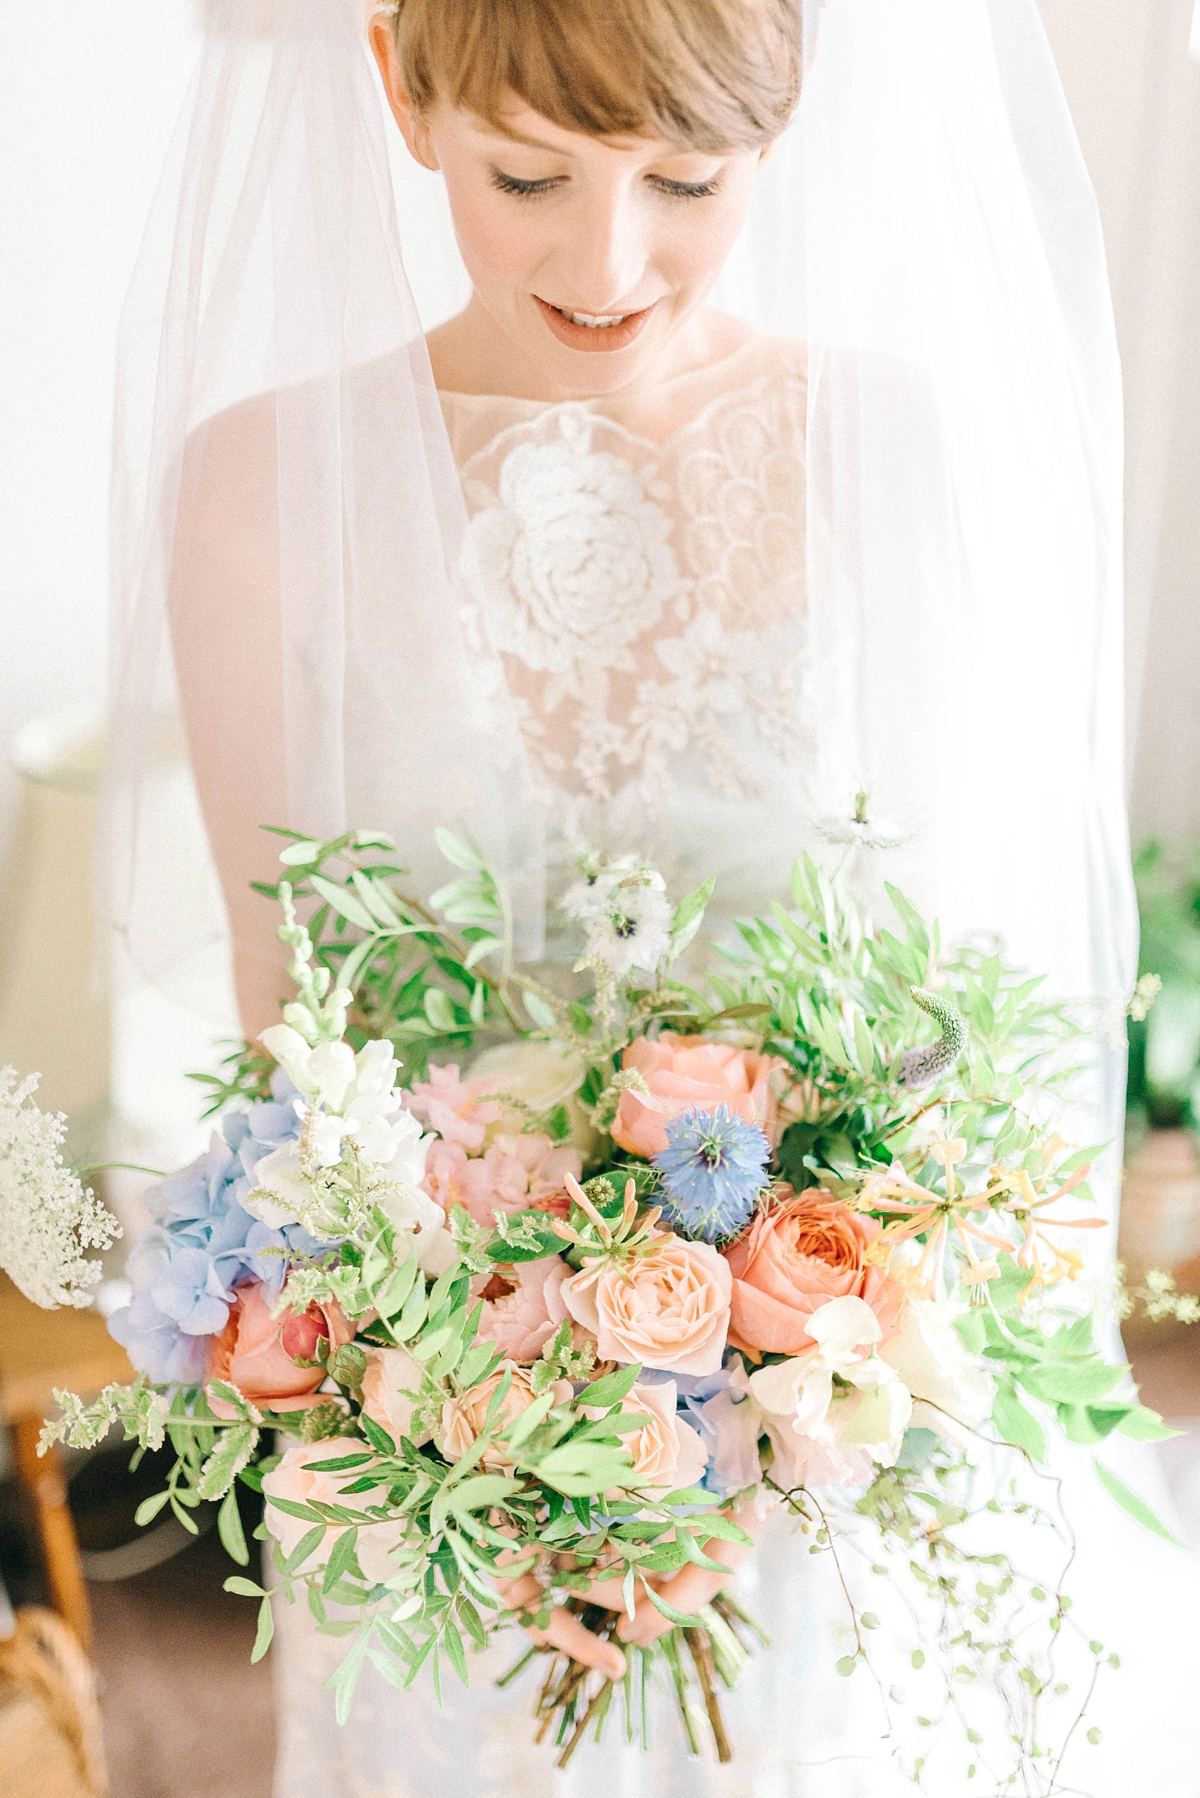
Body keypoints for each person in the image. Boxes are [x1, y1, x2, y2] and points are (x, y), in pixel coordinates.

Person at [98, 1, 1197, 1793]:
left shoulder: (898, 456)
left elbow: (967, 998)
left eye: (685, 178)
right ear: (401, 87)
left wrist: (782, 1414)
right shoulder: (252, 490)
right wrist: (473, 1426)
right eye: (527, 171)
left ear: (786, 125)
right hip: (450, 1425)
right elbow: (286, 991)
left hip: (816, 1428)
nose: (607, 257)